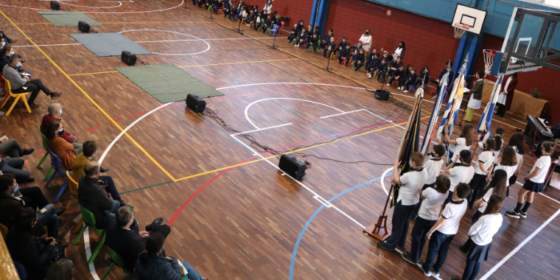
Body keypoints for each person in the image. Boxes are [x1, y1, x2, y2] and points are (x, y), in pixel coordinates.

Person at [377, 152, 428, 251]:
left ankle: (390, 245)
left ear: (413, 162)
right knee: (405, 222)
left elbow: (397, 180)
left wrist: (396, 167)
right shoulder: (424, 171)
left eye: (410, 160)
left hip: (404, 202)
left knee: (397, 224)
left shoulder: (410, 175)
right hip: (414, 201)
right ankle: (401, 242)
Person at [421, 183, 470, 277]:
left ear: (455, 192)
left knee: (433, 250)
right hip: (452, 231)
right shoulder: (465, 201)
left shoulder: (450, 206)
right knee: (443, 250)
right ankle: (436, 269)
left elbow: (441, 222)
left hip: (441, 231)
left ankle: (427, 269)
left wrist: (431, 231)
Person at [0, 174, 66, 243]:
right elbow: (26, 220)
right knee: (51, 207)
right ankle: (52, 242)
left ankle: (54, 242)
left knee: (53, 217)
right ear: (9, 187)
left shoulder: (4, 197)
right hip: (24, 229)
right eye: (15, 183)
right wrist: (31, 213)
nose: (16, 184)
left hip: (19, 225)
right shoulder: (13, 204)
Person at [5, 208, 66, 280]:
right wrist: (50, 247)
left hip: (21, 259)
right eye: (35, 220)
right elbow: (39, 262)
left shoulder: (15, 228)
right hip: (34, 270)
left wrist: (44, 239)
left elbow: (32, 239)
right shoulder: (29, 244)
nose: (37, 220)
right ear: (30, 224)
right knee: (62, 253)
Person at [453, 195, 504, 280]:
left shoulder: (485, 218)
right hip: (486, 242)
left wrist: (470, 235)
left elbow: (472, 231)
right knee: (477, 262)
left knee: (470, 263)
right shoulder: (499, 216)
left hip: (476, 242)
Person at [106, 205, 170, 272]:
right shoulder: (135, 241)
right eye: (133, 216)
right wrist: (146, 237)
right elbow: (148, 249)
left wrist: (137, 233)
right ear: (129, 221)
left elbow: (124, 233)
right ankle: (153, 226)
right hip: (133, 265)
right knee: (165, 229)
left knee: (152, 232)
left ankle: (153, 227)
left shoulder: (111, 223)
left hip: (120, 251)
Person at [403, 175, 450, 265]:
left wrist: (422, 192)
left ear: (437, 185)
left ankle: (413, 257)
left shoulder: (429, 190)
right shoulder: (446, 193)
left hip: (423, 218)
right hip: (434, 218)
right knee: (424, 237)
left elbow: (423, 196)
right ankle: (417, 254)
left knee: (416, 236)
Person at [506, 142, 553, 219]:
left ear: (543, 148)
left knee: (521, 193)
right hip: (539, 181)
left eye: (541, 146)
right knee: (530, 194)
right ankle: (524, 211)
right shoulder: (549, 158)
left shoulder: (541, 159)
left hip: (533, 180)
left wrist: (527, 177)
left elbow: (536, 172)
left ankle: (516, 212)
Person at [136, 233, 207, 280]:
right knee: (184, 265)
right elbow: (177, 278)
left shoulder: (141, 256)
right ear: (160, 249)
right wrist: (173, 260)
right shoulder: (164, 265)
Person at [78, 161, 124, 229]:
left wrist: (96, 183)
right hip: (99, 220)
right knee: (117, 204)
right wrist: (102, 191)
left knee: (107, 180)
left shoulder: (82, 178)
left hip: (87, 207)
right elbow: (109, 205)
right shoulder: (97, 191)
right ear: (97, 173)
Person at [411, 144, 445, 220]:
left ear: (437, 154)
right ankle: (416, 212)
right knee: (423, 197)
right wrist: (429, 149)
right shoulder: (441, 160)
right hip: (433, 182)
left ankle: (413, 214)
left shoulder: (430, 162)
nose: (433, 152)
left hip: (426, 182)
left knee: (419, 197)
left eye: (434, 151)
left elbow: (423, 169)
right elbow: (432, 159)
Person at [468, 138, 495, 209]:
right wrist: (488, 174)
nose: (484, 144)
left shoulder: (484, 154)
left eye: (485, 143)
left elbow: (481, 165)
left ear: (488, 145)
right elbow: (492, 166)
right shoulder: (493, 154)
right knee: (477, 190)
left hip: (478, 174)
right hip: (484, 175)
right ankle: (471, 204)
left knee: (470, 187)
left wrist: (486, 172)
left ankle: (468, 201)